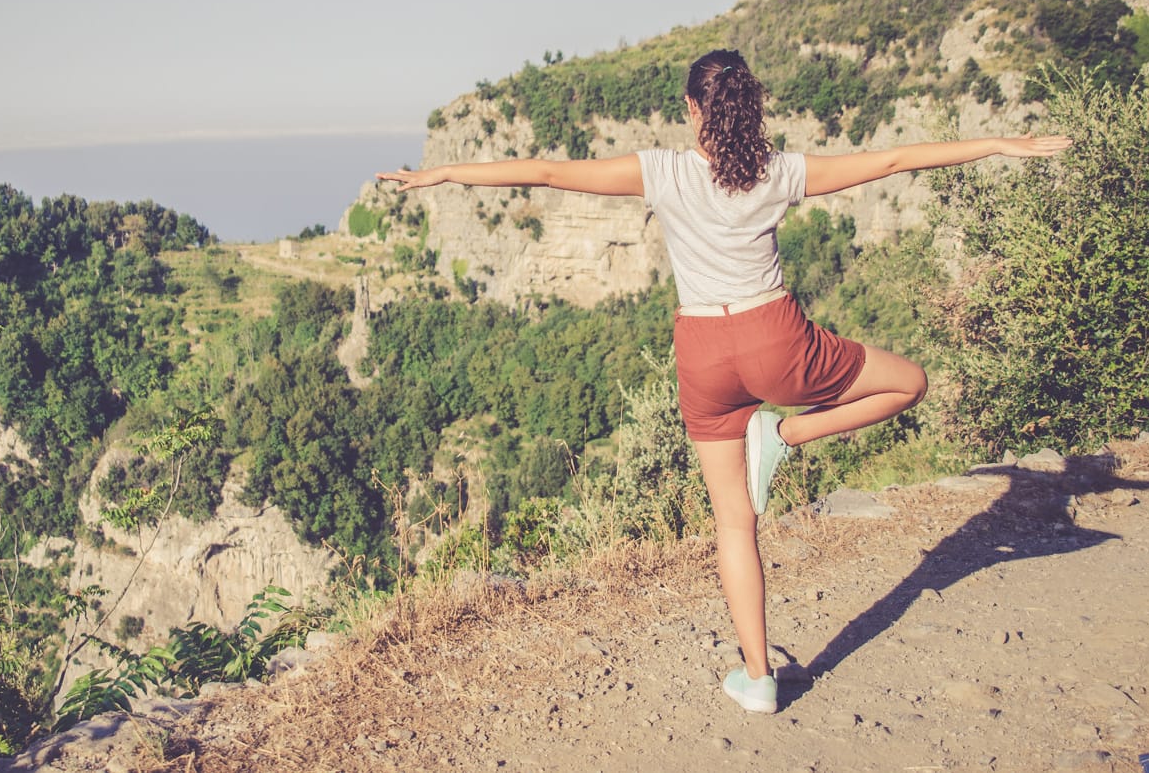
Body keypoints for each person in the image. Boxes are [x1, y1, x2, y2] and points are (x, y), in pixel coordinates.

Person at [377, 49, 1071, 714]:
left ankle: (759, 678)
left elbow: (550, 175)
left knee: (734, 523)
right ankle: (790, 433)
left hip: (703, 352)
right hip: (778, 341)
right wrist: (999, 143)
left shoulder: (663, 172)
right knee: (909, 382)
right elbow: (891, 159)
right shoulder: (780, 172)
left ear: (690, 109)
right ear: (750, 105)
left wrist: (441, 176)